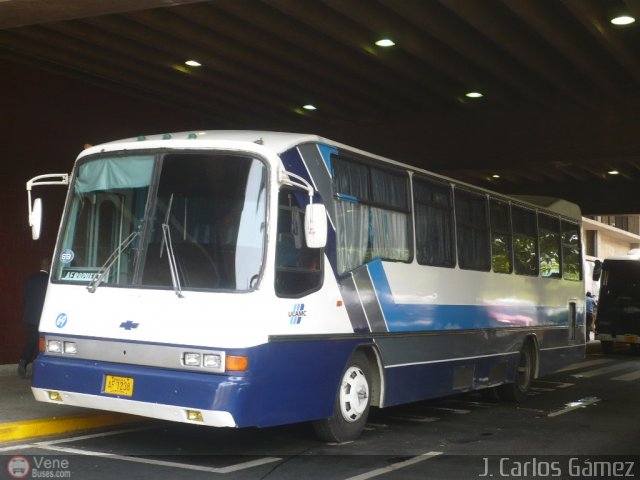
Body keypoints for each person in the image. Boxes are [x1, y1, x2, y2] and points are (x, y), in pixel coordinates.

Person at [17, 257, 50, 378]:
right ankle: (40, 368)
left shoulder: (29, 280)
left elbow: (26, 298)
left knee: (31, 340)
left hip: (30, 317)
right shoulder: (49, 281)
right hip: (44, 318)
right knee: (44, 344)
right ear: (48, 266)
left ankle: (23, 361)